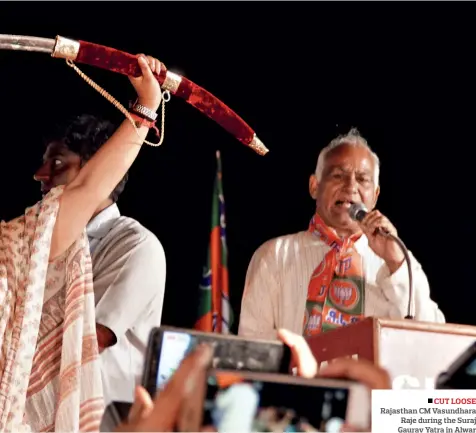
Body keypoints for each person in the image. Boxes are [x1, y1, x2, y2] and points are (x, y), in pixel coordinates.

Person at [0, 53, 162, 431]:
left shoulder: (17, 244)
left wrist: (145, 109)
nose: (40, 175)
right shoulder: (20, 242)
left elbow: (88, 189)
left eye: (56, 163)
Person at [238, 128, 445, 341]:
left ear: (375, 196)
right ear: (314, 186)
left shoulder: (397, 262)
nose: (351, 187)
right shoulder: (274, 255)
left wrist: (396, 262)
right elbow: (252, 349)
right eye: (338, 175)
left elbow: (432, 340)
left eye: (363, 179)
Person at [34, 113, 166, 407]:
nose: (40, 174)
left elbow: (89, 341)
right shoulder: (34, 242)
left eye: (56, 163)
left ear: (98, 172)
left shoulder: (134, 245)